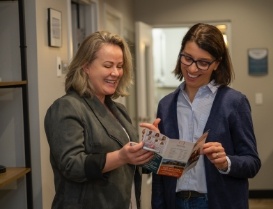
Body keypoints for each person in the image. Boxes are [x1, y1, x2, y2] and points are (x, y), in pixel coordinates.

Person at [148, 23, 261, 209]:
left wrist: (226, 162)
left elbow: (252, 162)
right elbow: (160, 172)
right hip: (175, 202)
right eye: (187, 58)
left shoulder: (234, 102)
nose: (192, 69)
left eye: (203, 62)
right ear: (180, 55)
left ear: (216, 63)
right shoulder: (166, 105)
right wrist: (151, 151)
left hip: (218, 202)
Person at [44, 31, 155, 209]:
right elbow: (71, 165)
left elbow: (134, 162)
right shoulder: (66, 107)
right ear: (86, 66)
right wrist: (120, 156)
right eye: (108, 65)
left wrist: (152, 144)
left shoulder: (119, 110)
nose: (116, 73)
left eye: (120, 66)